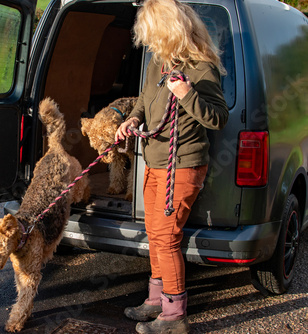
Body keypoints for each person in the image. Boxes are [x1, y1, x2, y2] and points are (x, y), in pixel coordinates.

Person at [115, 0, 229, 333]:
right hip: (153, 162)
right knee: (155, 235)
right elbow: (143, 101)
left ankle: (175, 316)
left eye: (152, 33)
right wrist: (131, 119)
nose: (149, 41)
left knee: (167, 239)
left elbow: (218, 118)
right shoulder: (158, 63)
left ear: (168, 30)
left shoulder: (200, 68)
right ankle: (155, 300)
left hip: (182, 166)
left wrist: (187, 93)